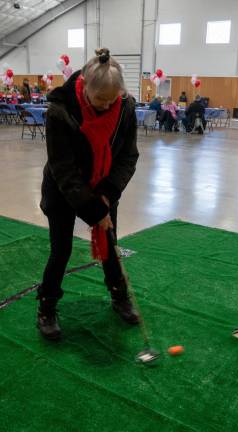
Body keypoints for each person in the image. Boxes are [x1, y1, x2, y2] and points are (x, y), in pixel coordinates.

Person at [37, 48, 140, 340]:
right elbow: (63, 169)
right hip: (63, 190)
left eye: (113, 99)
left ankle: (120, 296)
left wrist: (106, 196)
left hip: (104, 186)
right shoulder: (60, 110)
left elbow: (128, 157)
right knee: (61, 250)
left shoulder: (126, 107)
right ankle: (47, 307)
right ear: (85, 90)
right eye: (100, 100)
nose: (108, 106)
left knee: (109, 244)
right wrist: (95, 211)